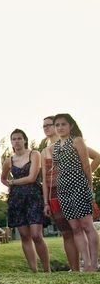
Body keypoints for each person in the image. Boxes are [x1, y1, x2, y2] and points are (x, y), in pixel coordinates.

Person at [41, 116, 100, 271]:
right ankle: (86, 264)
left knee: (87, 225)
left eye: (63, 124)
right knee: (75, 228)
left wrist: (88, 186)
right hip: (63, 190)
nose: (60, 127)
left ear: (70, 125)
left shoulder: (77, 141)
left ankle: (94, 263)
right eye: (57, 125)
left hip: (79, 187)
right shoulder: (54, 148)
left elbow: (86, 166)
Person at [1, 129, 50, 273]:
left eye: (19, 138)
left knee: (36, 234)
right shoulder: (9, 161)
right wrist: (9, 184)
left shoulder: (34, 154)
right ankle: (34, 270)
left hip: (34, 196)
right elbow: (3, 179)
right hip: (16, 199)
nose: (16, 141)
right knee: (24, 235)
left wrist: (13, 182)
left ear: (25, 140)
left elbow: (32, 177)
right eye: (14, 139)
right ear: (11, 142)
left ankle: (47, 270)